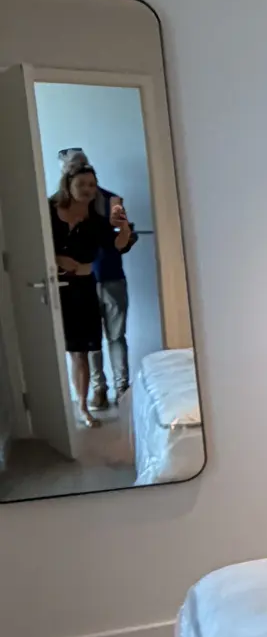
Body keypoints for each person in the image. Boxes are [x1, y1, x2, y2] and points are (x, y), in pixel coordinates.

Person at [57, 147, 135, 405]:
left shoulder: (112, 202)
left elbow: (123, 240)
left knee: (104, 339)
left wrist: (122, 227)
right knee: (97, 340)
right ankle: (108, 390)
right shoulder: (58, 209)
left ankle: (112, 390)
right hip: (84, 283)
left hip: (106, 277)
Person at [49, 163, 115, 428]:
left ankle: (83, 407)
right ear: (68, 185)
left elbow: (113, 247)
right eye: (82, 184)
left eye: (91, 185)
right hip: (51, 286)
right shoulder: (49, 212)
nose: (87, 190)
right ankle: (52, 410)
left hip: (83, 289)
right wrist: (56, 258)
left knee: (81, 352)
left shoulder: (97, 221)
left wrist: (124, 232)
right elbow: (32, 244)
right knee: (52, 350)